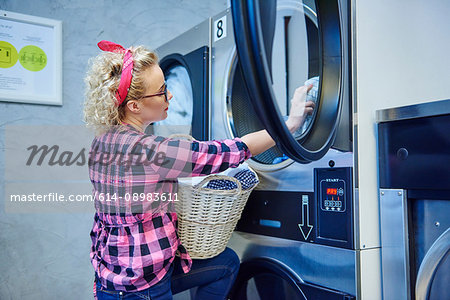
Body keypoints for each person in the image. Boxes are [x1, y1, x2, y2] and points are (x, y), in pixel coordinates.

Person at [83, 40, 314, 300]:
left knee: (225, 263)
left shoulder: (103, 142)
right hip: (143, 287)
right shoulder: (149, 151)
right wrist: (290, 124)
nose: (169, 96)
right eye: (161, 91)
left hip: (111, 275)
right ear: (134, 106)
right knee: (225, 265)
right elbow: (226, 152)